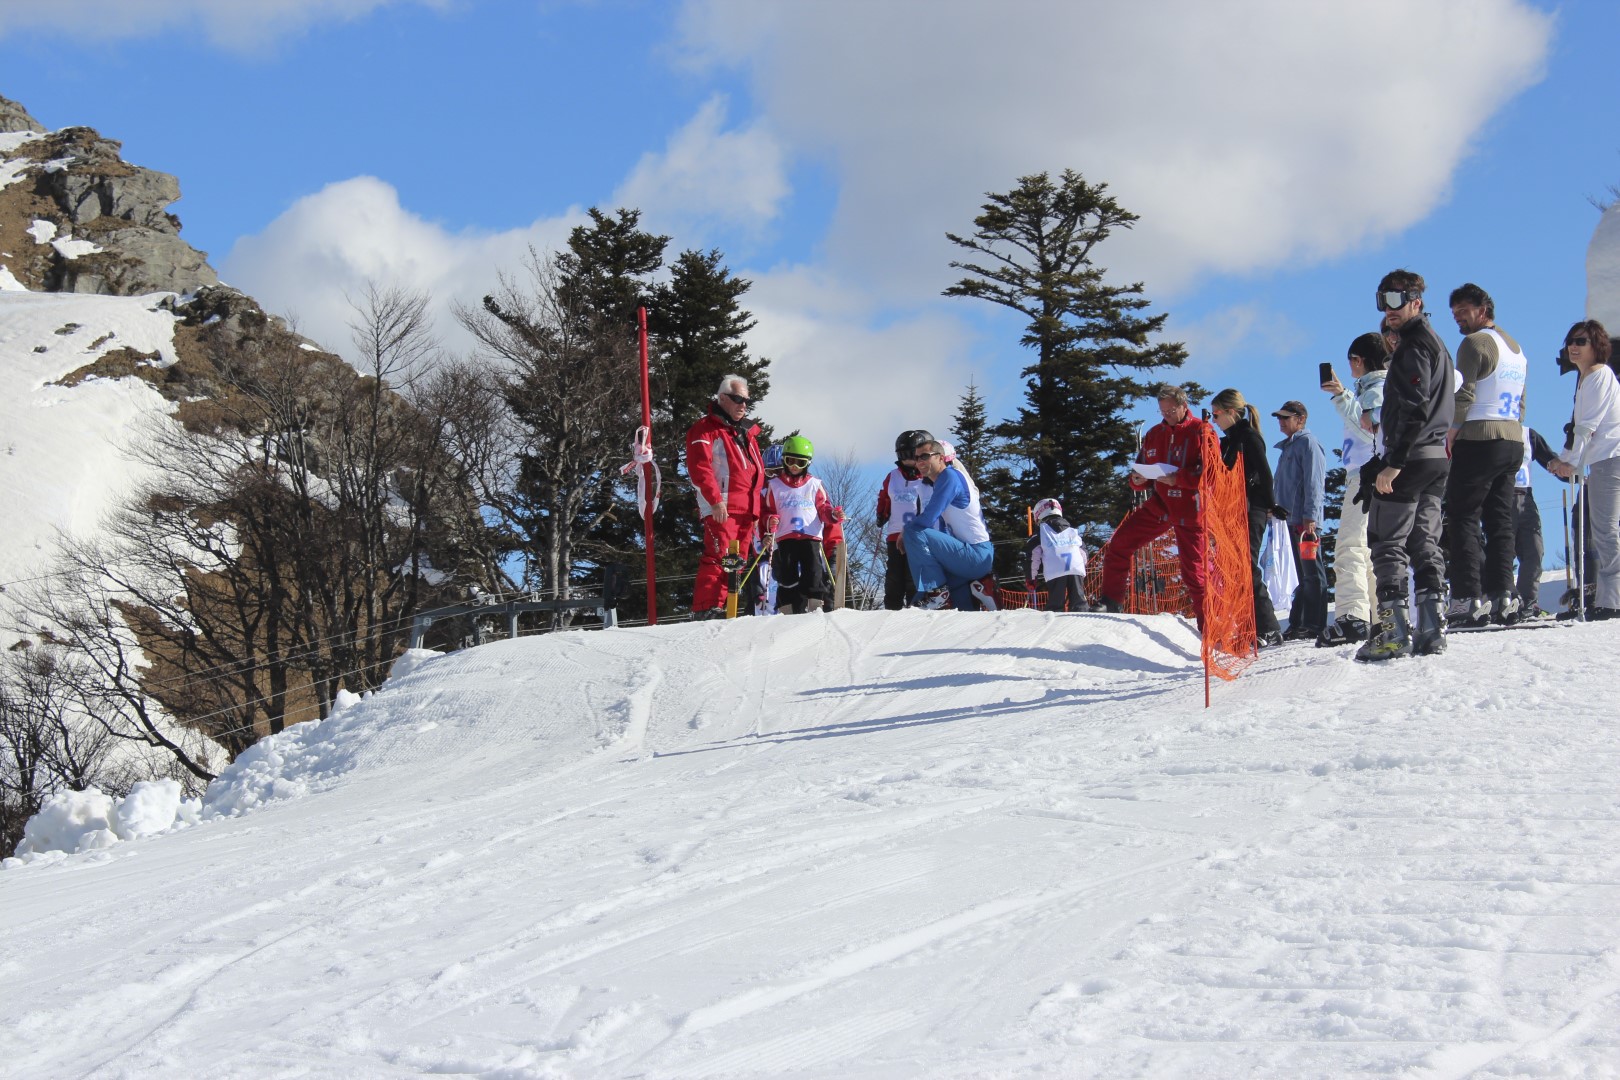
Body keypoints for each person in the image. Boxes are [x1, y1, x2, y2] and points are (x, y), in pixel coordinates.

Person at [1355, 269, 1455, 661]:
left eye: (1396, 300)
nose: (1388, 310)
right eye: (1382, 301)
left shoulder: (1414, 346)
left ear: (1416, 300)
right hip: (1434, 459)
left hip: (1411, 458)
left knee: (1387, 541)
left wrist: (1393, 462)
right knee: (1424, 540)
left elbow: (1415, 407)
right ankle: (1432, 628)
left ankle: (1394, 633)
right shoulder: (1435, 342)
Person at [1442, 284, 1529, 627]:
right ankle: (1503, 594)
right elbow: (1521, 400)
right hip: (1511, 438)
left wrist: (1451, 432)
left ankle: (1466, 597)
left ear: (1482, 309)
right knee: (1500, 519)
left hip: (1479, 437)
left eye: (1463, 311)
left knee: (1463, 515)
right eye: (1454, 313)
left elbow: (1464, 393)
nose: (1458, 318)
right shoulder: (1515, 347)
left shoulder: (1475, 343)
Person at [1098, 384, 1213, 623]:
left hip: (1190, 509)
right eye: (1162, 411)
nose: (1166, 416)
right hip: (1160, 504)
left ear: (1184, 406)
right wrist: (1137, 480)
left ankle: (1210, 626)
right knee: (1119, 543)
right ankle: (1110, 601)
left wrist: (1178, 478)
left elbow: (1211, 473)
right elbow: (1140, 473)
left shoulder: (1201, 431)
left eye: (1171, 411)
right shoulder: (1154, 434)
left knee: (1194, 573)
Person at [1317, 333, 1388, 646]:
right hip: (1368, 473)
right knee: (1367, 549)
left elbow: (1369, 428)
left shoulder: (1376, 389)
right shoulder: (1372, 388)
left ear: (1359, 360)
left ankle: (1352, 616)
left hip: (1366, 475)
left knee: (1349, 545)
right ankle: (1378, 616)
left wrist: (1341, 396)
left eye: (1351, 361)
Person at [1547, 320, 1620, 620]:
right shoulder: (1586, 377)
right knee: (1600, 529)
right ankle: (1604, 598)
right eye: (1570, 342)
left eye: (1581, 341)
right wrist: (1565, 459)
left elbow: (1587, 427)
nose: (1573, 347)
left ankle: (1613, 601)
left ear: (1596, 346)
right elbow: (1577, 428)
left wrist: (1571, 462)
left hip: (1611, 458)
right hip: (1603, 459)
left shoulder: (1599, 374)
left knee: (1605, 530)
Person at [684, 374, 765, 619]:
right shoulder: (706, 429)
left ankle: (726, 608)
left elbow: (755, 472)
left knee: (737, 561)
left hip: (747, 508)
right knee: (720, 556)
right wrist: (715, 500)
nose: (743, 405)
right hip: (723, 505)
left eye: (746, 400)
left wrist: (758, 511)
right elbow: (700, 468)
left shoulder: (746, 433)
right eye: (738, 399)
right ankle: (707, 608)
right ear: (722, 398)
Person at [1210, 389, 1284, 648]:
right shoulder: (1228, 441)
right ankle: (1247, 625)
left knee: (1246, 567)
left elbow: (1264, 471)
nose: (1214, 420)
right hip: (1233, 510)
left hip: (1252, 509)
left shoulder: (1248, 437)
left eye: (1216, 414)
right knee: (1234, 569)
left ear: (1231, 412)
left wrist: (1271, 503)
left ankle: (1269, 627)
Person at [901, 437, 996, 611]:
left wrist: (905, 534)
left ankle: (937, 593)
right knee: (921, 603)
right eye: (917, 458)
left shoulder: (949, 476)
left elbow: (928, 519)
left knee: (912, 530)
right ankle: (972, 597)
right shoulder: (943, 480)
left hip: (975, 555)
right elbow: (942, 529)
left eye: (925, 456)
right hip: (969, 554)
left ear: (940, 458)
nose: (919, 462)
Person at [761, 435, 843, 614]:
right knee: (787, 574)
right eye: (790, 461)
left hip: (810, 536)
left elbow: (823, 508)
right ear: (784, 460)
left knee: (813, 570)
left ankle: (815, 606)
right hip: (786, 536)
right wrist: (770, 520)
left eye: (800, 463)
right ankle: (787, 609)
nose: (794, 466)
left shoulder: (814, 484)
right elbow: (767, 510)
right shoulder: (774, 486)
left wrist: (833, 515)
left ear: (807, 464)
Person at [1271, 400, 1327, 639]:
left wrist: (1310, 516)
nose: (1281, 422)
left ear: (1300, 419)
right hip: (1291, 521)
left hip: (1304, 523)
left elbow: (1314, 482)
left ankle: (1314, 624)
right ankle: (1299, 622)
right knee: (1301, 574)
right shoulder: (1288, 447)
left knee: (1312, 572)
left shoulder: (1308, 443)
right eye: (1280, 418)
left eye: (1286, 417)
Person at [876, 430, 928, 609]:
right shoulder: (893, 476)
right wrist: (882, 513)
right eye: (903, 456)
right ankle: (892, 609)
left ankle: (916, 607)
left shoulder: (925, 478)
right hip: (895, 532)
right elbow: (884, 496)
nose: (908, 461)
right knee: (894, 576)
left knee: (913, 576)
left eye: (911, 456)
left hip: (917, 535)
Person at [1514, 426, 1559, 616]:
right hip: (1497, 497)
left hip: (1525, 496)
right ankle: (1502, 600)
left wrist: (1570, 470)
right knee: (1502, 552)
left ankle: (1527, 602)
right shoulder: (1488, 428)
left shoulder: (1527, 434)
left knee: (1534, 549)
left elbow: (1550, 459)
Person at [1024, 498, 1089, 613]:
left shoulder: (1041, 532)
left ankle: (1055, 615)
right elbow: (1083, 552)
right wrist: (1083, 566)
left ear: (1038, 514)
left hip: (1055, 569)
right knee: (1078, 601)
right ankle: (1082, 613)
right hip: (1076, 567)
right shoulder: (1072, 531)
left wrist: (1031, 578)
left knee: (1056, 601)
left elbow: (1032, 557)